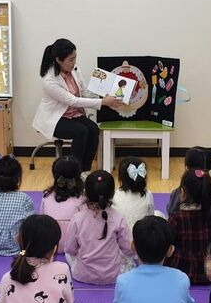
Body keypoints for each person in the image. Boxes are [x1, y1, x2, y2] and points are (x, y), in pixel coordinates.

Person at [32, 38, 123, 174]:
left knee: (93, 129)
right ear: (58, 60)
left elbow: (84, 92)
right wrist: (103, 102)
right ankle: (73, 172)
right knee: (81, 131)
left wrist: (103, 97)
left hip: (73, 114)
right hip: (55, 118)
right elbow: (73, 101)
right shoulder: (50, 80)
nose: (74, 62)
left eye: (75, 58)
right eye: (71, 59)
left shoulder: (74, 69)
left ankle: (85, 170)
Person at [64, 171, 133, 285]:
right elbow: (128, 249)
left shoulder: (77, 218)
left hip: (83, 275)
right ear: (112, 194)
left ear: (85, 193)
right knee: (126, 258)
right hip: (113, 275)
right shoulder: (118, 217)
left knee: (67, 253)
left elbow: (70, 249)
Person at [165, 169, 211, 285]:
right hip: (205, 271)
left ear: (183, 193)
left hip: (179, 270)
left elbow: (167, 242)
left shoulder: (176, 218)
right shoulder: (209, 217)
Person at [166, 146, 211, 230]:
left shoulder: (178, 193)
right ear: (209, 171)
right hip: (210, 236)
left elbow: (171, 212)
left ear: (186, 168)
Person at [39, 156, 85, 254]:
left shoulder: (46, 195)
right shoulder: (82, 198)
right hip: (75, 248)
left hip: (50, 246)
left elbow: (41, 219)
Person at [112, 156, 157, 232]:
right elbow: (151, 217)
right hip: (141, 236)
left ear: (121, 178)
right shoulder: (148, 194)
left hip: (121, 236)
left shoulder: (115, 195)